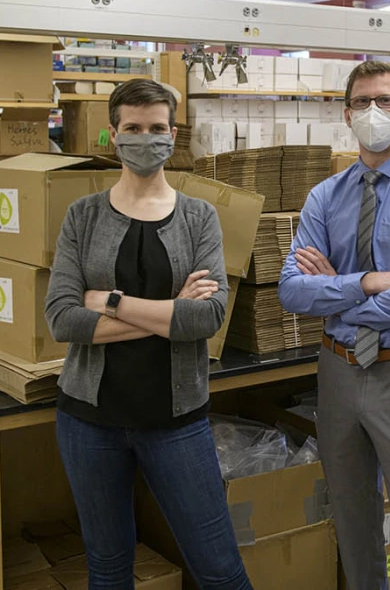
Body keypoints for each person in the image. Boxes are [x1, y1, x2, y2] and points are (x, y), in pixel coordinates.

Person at [45, 79, 252, 590]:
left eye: (156, 128)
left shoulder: (199, 216)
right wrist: (169, 315)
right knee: (109, 570)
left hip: (176, 420)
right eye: (133, 128)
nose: (145, 138)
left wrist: (111, 301)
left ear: (173, 134)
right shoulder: (83, 216)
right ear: (113, 135)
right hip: (89, 420)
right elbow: (62, 320)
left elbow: (207, 319)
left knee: (221, 571)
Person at [277, 60, 390, 590]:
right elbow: (291, 290)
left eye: (385, 101)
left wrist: (334, 296)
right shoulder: (325, 196)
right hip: (337, 374)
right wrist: (372, 282)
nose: (373, 111)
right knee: (353, 526)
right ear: (346, 113)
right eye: (362, 102)